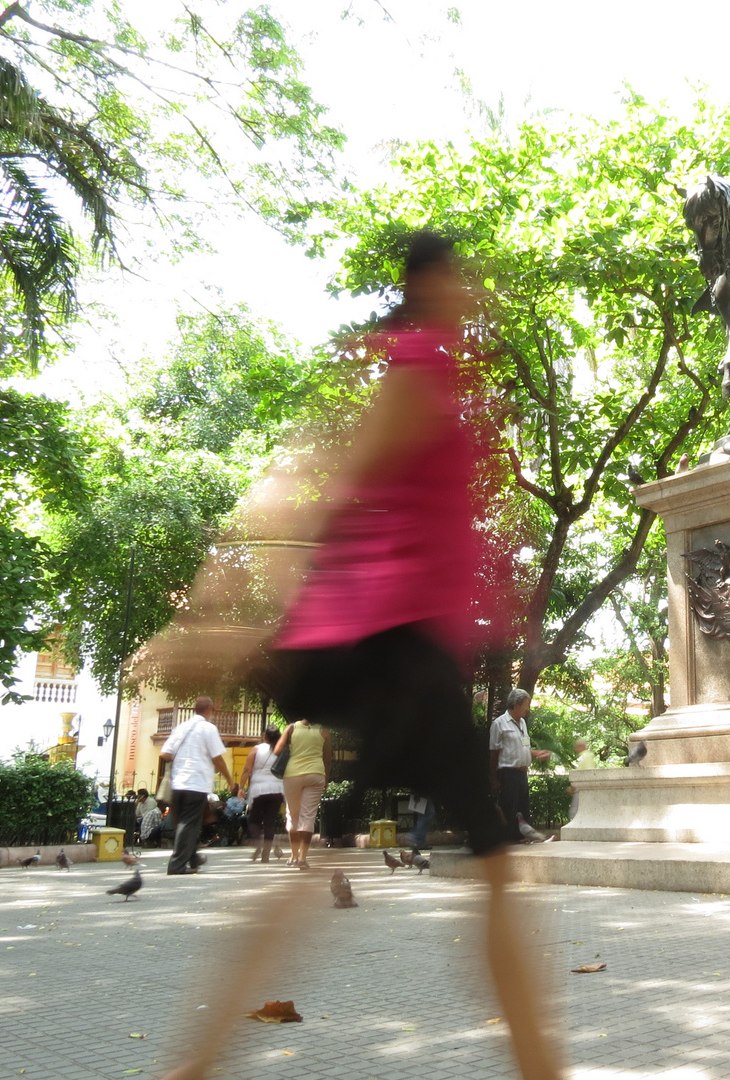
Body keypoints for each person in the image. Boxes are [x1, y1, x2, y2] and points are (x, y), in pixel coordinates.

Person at [160, 232, 563, 1080]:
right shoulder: (417, 369)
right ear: (436, 286)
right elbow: (336, 482)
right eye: (463, 279)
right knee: (490, 871)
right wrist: (221, 600)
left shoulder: (431, 372)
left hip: (395, 643)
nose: (475, 293)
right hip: (389, 641)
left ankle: (192, 1064)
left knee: (357, 860)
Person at [157, 697, 234, 876]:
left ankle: (193, 858)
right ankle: (176, 865)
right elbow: (218, 758)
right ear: (210, 710)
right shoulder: (208, 729)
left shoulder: (181, 727)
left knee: (185, 823)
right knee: (188, 824)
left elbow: (165, 753)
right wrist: (230, 780)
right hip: (196, 782)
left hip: (178, 782)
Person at [489, 689, 551, 843]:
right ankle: (507, 842)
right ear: (516, 705)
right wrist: (494, 779)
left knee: (523, 809)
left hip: (522, 773)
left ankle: (522, 839)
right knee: (509, 808)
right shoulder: (499, 724)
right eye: (526, 705)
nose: (527, 709)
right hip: (508, 773)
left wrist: (537, 754)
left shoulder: (522, 723)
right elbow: (493, 753)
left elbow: (523, 747)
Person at [271, 718, 330, 869]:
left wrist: (290, 746)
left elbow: (277, 750)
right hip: (316, 774)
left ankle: (293, 856)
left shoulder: (291, 728)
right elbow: (328, 758)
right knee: (308, 816)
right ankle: (303, 858)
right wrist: (326, 779)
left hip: (293, 775)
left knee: (293, 815)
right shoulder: (324, 729)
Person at [237, 726, 286, 863]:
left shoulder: (256, 749)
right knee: (270, 823)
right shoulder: (281, 752)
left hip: (259, 789)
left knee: (254, 820)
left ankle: (258, 842)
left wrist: (241, 787)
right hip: (277, 788)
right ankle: (266, 855)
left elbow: (247, 769)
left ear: (265, 736)